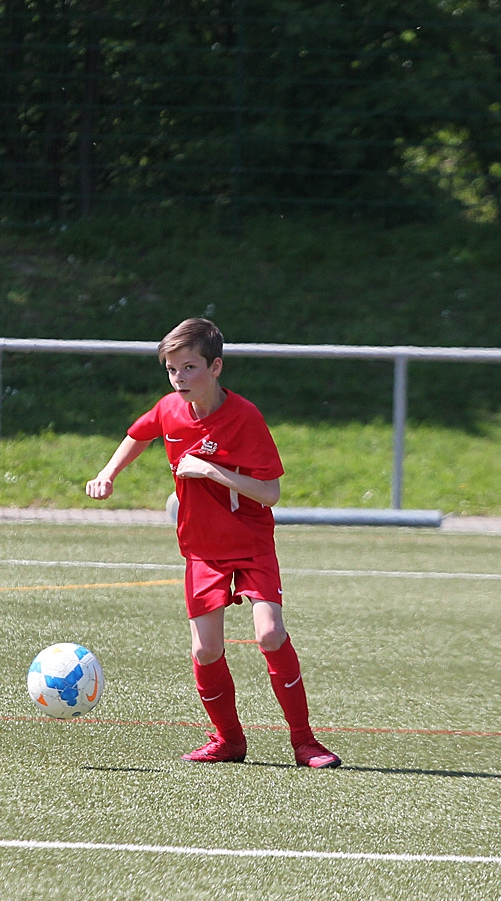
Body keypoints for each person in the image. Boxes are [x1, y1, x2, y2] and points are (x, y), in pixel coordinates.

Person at [86, 318, 342, 768]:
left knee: (270, 634)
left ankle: (305, 743)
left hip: (251, 543)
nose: (179, 378)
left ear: (216, 367)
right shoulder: (169, 409)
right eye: (172, 369)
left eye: (189, 368)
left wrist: (210, 471)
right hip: (202, 548)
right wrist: (108, 474)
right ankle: (229, 741)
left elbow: (270, 493)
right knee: (205, 649)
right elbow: (138, 434)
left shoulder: (245, 417)